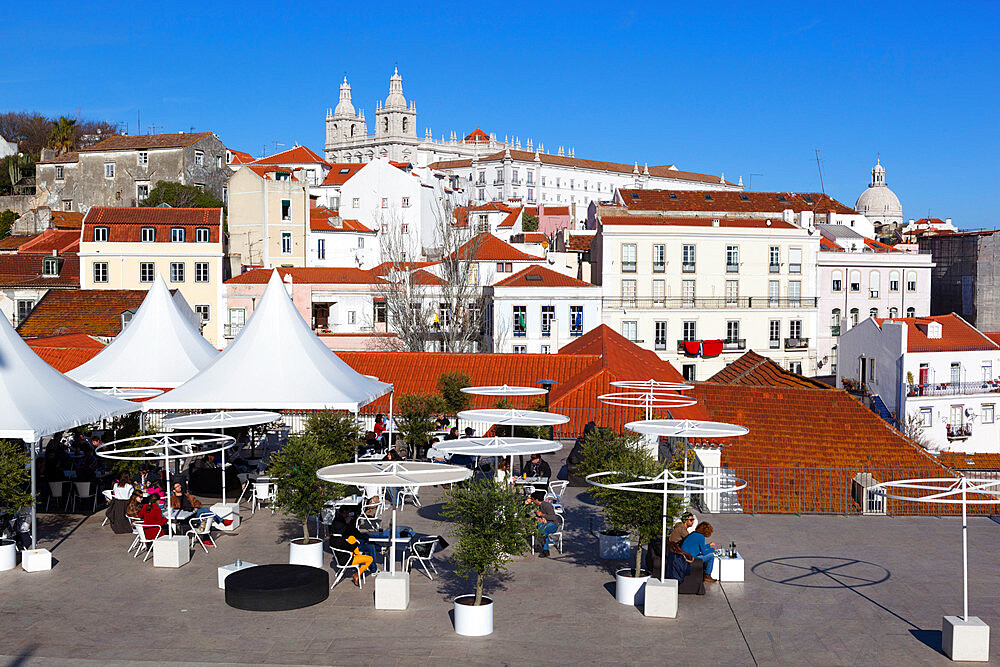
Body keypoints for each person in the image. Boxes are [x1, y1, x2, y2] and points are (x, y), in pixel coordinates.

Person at [526, 490, 559, 557]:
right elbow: (530, 514)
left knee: (541, 529)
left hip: (552, 524)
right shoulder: (535, 506)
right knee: (542, 529)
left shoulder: (547, 505)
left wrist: (543, 515)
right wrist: (537, 518)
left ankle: (545, 549)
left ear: (537, 500)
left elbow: (553, 517)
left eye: (533, 499)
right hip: (543, 525)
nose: (532, 501)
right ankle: (545, 550)